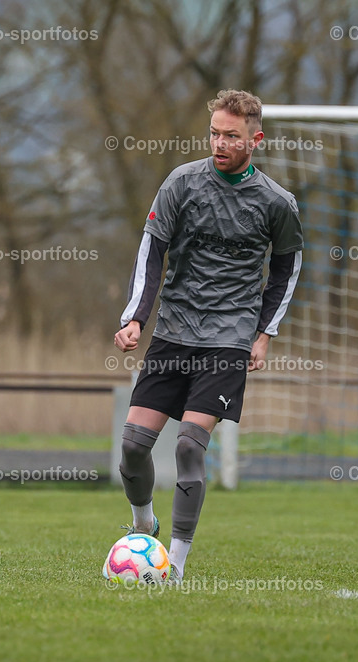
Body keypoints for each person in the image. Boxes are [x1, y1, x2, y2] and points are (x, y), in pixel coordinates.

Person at [113, 89, 303, 582]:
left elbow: (287, 267)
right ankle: (143, 525)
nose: (220, 143)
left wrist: (264, 334)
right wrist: (135, 316)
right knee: (134, 445)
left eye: (231, 136)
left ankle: (173, 567)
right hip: (175, 330)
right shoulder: (181, 183)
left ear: (254, 140)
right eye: (215, 133)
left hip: (228, 338)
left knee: (189, 448)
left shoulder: (277, 203)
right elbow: (152, 247)